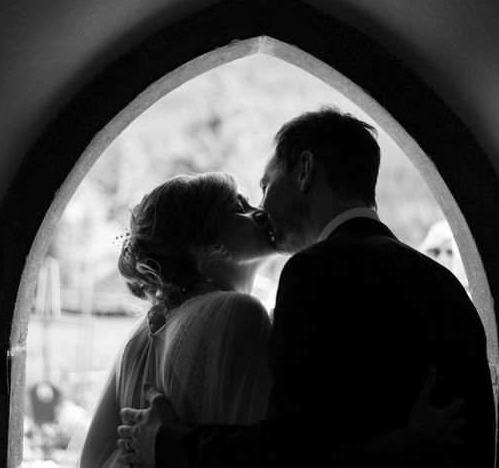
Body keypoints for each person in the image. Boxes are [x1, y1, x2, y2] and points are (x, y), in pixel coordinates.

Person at [117, 107, 496, 467]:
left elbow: (288, 453)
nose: (262, 207)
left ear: (304, 171)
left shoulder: (315, 272)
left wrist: (165, 441)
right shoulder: (445, 284)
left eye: (266, 184)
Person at [81, 171, 464, 467]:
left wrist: (163, 442)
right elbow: (283, 458)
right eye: (237, 207)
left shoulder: (146, 333)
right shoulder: (234, 313)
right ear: (198, 246)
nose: (258, 211)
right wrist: (404, 444)